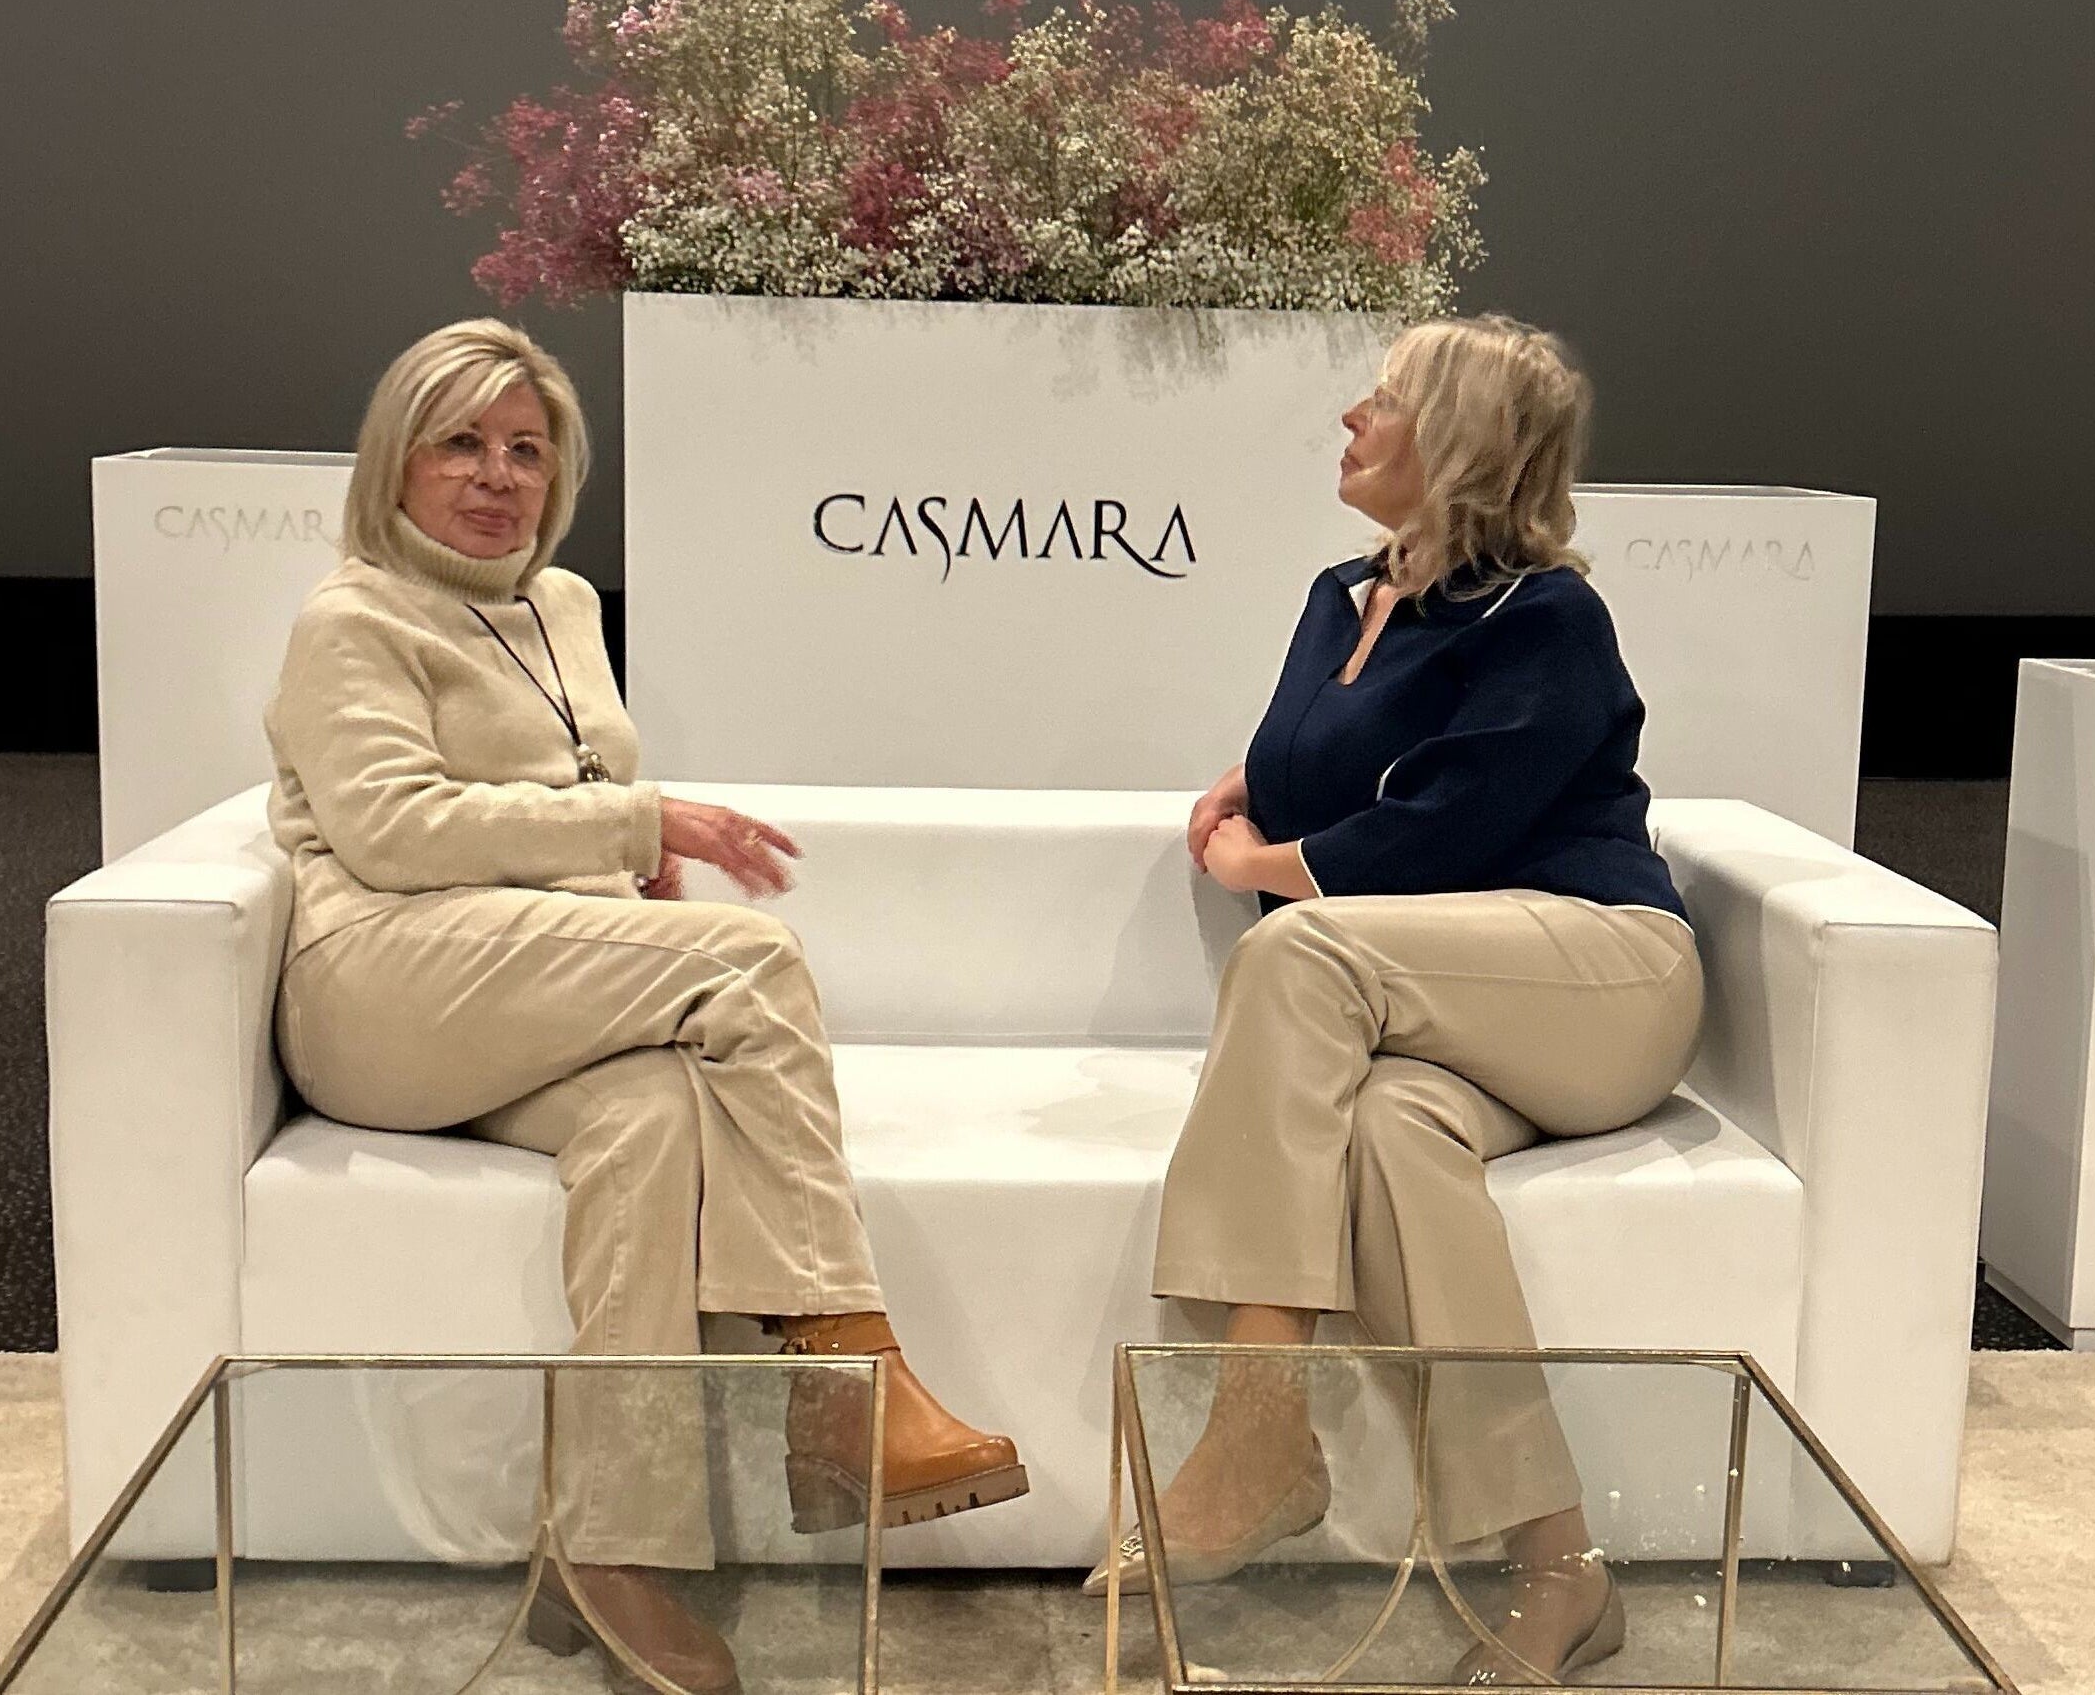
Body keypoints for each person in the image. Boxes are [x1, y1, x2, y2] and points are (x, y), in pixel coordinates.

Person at [266, 318, 1027, 1695]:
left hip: (516, 982)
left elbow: (566, 787)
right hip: (377, 984)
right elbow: (392, 829)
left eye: (525, 448)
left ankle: (609, 1550)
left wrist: (621, 874)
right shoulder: (352, 619)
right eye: (460, 443)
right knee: (752, 960)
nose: (497, 475)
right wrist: (638, 822)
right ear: (396, 460)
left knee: (654, 1115)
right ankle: (844, 1379)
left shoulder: (560, 604)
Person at [1088, 315, 1701, 1687]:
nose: (1350, 420)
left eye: (1385, 401)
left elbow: (1440, 828)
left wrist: (1259, 863)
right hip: (1444, 1013)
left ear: (1463, 440)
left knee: (1298, 954)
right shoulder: (1339, 597)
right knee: (1387, 1139)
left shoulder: (1545, 617)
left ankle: (1258, 1426)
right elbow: (1310, 773)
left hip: (1597, 974)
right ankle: (1560, 1568)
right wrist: (1254, 791)